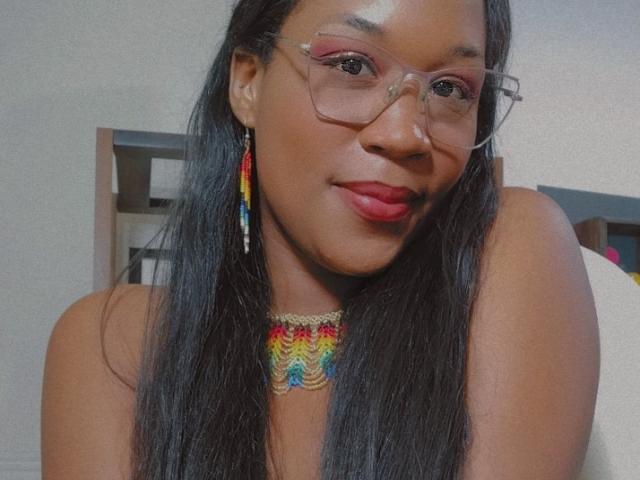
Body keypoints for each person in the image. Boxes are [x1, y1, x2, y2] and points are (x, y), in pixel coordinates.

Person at [41, 0, 600, 478]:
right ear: (248, 82)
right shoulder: (113, 343)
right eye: (352, 65)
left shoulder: (513, 250)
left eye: (451, 88)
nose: (405, 134)